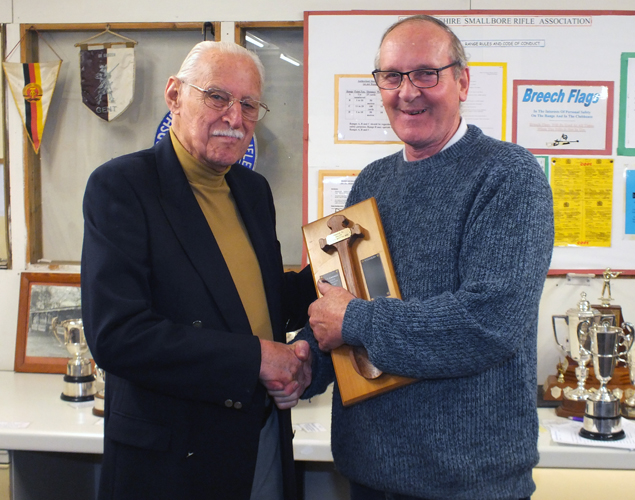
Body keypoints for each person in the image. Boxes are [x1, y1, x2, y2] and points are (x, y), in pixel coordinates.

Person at [296, 15, 554, 500]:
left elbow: (489, 320)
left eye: (425, 73)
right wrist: (305, 363)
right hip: (367, 470)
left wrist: (355, 321)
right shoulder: (372, 179)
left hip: (466, 483)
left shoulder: (508, 175)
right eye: (392, 76)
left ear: (462, 80)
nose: (407, 91)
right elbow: (344, 300)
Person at [81, 41, 317, 500]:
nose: (234, 117)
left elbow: (259, 302)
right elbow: (118, 335)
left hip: (261, 438)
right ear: (174, 95)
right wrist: (259, 359)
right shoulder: (124, 186)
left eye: (249, 104)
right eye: (217, 97)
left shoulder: (252, 191)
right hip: (173, 462)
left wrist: (338, 274)